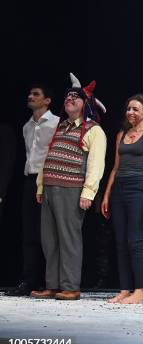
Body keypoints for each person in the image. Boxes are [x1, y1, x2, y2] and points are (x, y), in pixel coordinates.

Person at [31, 73, 107, 300]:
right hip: (50, 188)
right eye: (68, 97)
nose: (70, 99)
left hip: (71, 189)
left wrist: (89, 192)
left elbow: (96, 163)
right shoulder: (61, 127)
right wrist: (40, 186)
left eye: (76, 97)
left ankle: (71, 286)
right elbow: (48, 158)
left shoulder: (93, 130)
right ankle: (53, 285)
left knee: (69, 238)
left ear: (86, 104)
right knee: (49, 240)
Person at [101, 94, 143, 304]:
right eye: (128, 109)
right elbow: (115, 168)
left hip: (139, 188)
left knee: (134, 240)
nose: (131, 112)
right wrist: (107, 194)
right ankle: (125, 289)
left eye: (135, 109)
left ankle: (139, 290)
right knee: (120, 242)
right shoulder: (121, 134)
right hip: (119, 188)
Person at [6, 85, 58, 296]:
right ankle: (29, 280)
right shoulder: (27, 126)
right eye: (30, 93)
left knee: (48, 233)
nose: (30, 97)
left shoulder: (56, 123)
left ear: (47, 101)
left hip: (48, 180)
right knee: (29, 232)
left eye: (36, 94)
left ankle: (50, 281)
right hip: (30, 180)